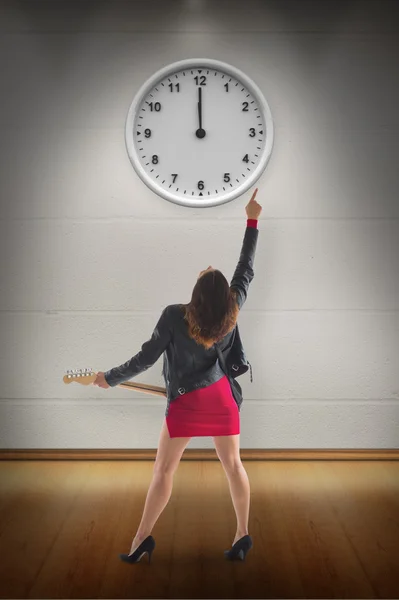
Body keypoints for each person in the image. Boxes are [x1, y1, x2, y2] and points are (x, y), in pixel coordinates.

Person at [93, 187, 262, 563]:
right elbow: (246, 269)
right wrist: (252, 219)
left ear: (196, 293)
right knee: (234, 466)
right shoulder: (232, 309)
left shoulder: (174, 315)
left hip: (185, 403)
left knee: (164, 471)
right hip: (221, 400)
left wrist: (110, 377)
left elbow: (144, 359)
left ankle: (141, 541)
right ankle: (242, 534)